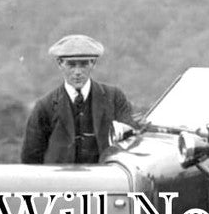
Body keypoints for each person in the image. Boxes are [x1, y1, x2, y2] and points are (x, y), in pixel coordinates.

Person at [20, 34, 134, 164]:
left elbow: (131, 142)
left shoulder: (114, 98)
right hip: (61, 182)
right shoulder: (44, 106)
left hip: (104, 181)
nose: (77, 72)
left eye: (84, 64)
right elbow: (30, 159)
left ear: (93, 63)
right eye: (71, 65)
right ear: (60, 64)